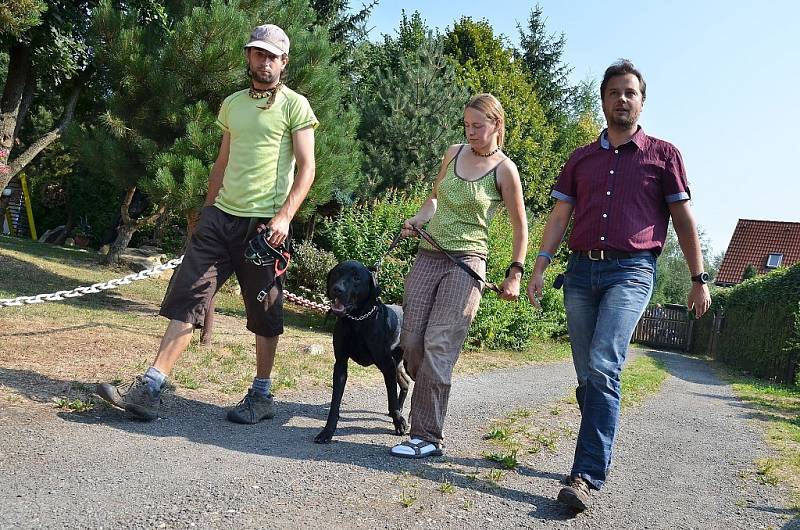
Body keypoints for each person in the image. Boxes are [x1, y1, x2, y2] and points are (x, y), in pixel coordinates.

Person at [97, 24, 318, 424]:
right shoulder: (232, 104)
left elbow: (307, 168)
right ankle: (151, 386)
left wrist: (284, 216)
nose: (263, 61)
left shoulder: (295, 106)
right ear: (248, 56)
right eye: (257, 53)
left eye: (271, 56)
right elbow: (221, 161)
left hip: (265, 228)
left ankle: (262, 394)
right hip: (221, 218)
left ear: (284, 62)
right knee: (189, 293)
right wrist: (206, 209)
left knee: (264, 309)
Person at [526, 59, 711, 511]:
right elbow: (558, 216)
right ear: (604, 100)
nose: (622, 99)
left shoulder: (664, 155)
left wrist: (698, 278)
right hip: (581, 271)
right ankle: (596, 421)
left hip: (632, 270)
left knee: (605, 366)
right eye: (614, 92)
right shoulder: (581, 159)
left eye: (630, 92)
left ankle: (586, 476)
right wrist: (539, 264)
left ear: (641, 101)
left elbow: (684, 221)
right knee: (589, 377)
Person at [390, 93, 528, 459]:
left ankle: (427, 436)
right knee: (412, 341)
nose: (470, 132)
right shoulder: (453, 153)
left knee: (439, 344)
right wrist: (420, 218)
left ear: (496, 124)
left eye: (478, 126)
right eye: (466, 125)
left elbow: (519, 227)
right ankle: (428, 397)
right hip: (428, 255)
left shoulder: (504, 170)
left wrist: (515, 273)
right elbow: (434, 198)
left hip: (466, 264)